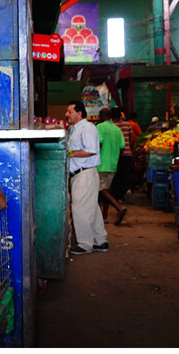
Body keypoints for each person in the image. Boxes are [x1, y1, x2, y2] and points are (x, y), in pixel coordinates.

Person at [65, 101, 108, 255]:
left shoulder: (87, 128)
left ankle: (85, 244)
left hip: (84, 173)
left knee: (80, 208)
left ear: (80, 113)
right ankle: (100, 241)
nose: (67, 114)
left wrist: (71, 153)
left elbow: (91, 150)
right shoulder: (74, 129)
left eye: (70, 111)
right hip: (81, 174)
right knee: (91, 208)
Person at [95, 108, 128, 226]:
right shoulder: (117, 130)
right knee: (106, 190)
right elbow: (122, 148)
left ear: (101, 115)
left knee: (100, 189)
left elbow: (99, 144)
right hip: (113, 164)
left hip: (101, 163)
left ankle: (119, 208)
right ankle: (104, 217)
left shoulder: (100, 127)